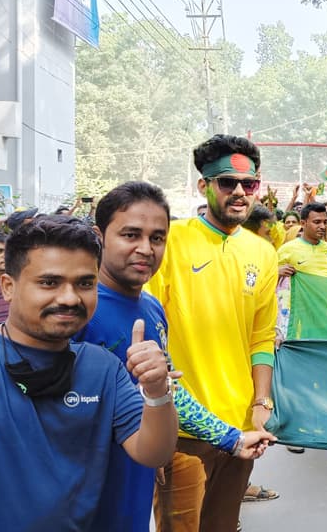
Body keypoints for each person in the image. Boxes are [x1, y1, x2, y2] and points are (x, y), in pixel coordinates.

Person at [0, 215, 178, 528]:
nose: (70, 298)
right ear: (8, 286)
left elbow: (153, 452)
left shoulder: (102, 369)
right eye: (49, 282)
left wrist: (156, 392)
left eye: (85, 283)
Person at [86, 181, 276, 531]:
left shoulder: (152, 308)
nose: (145, 248)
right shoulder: (77, 308)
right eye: (130, 235)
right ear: (100, 236)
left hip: (132, 484)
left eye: (157, 238)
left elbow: (169, 392)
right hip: (80, 493)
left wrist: (232, 439)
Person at [147, 134, 279, 531]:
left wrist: (261, 403)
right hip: (184, 431)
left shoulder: (263, 252)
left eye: (249, 184)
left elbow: (262, 337)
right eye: (227, 183)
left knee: (223, 526)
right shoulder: (171, 242)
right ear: (203, 185)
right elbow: (152, 335)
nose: (240, 192)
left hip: (241, 427)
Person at [278, 202, 327, 280]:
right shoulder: (286, 249)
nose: (323, 226)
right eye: (317, 222)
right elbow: (270, 283)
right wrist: (276, 272)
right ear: (303, 223)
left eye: (325, 222)